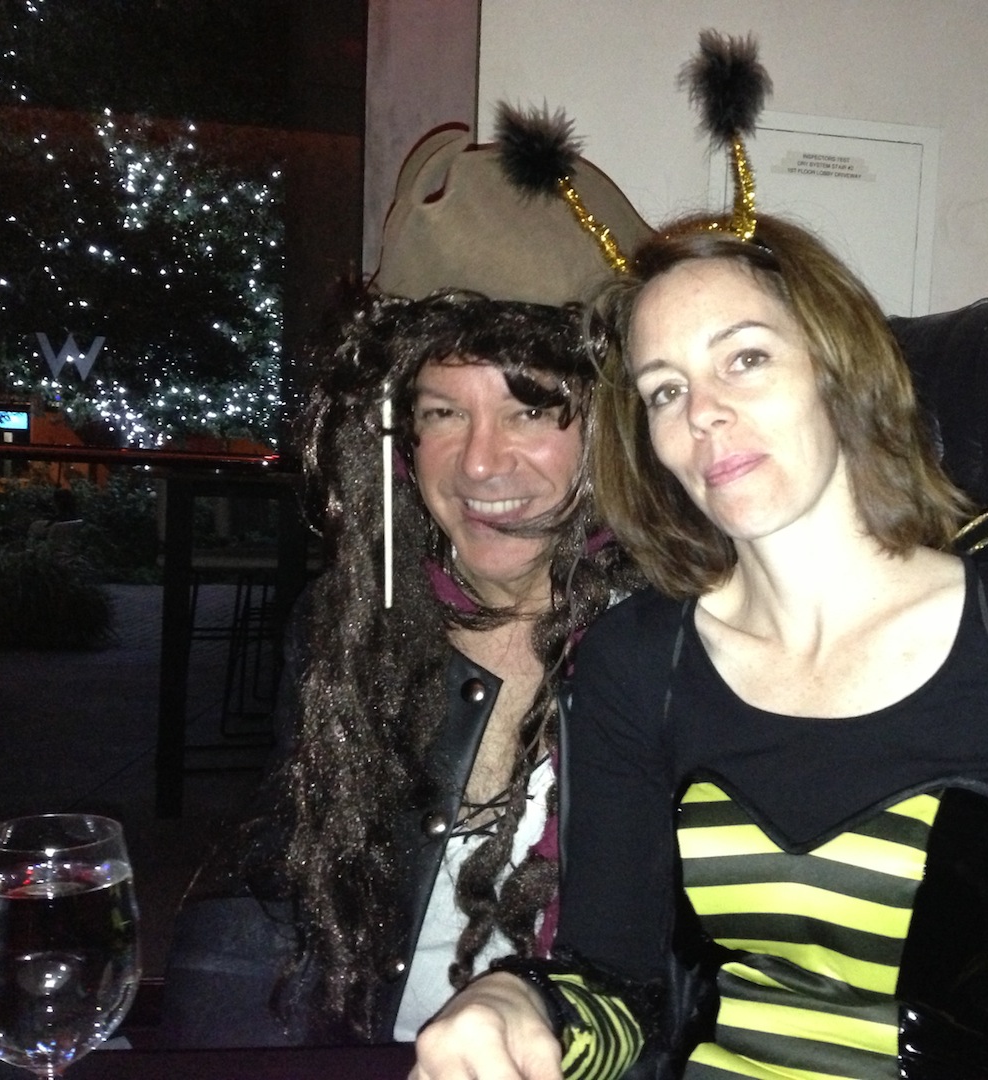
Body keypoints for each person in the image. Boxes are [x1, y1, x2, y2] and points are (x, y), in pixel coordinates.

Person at [411, 211, 988, 1080]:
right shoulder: (634, 662)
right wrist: (523, 1007)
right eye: (666, 391)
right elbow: (619, 993)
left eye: (745, 359)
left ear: (840, 371)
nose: (704, 413)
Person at [159, 118, 650, 1046]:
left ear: (610, 425)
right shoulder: (348, 628)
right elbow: (279, 898)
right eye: (442, 413)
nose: (480, 463)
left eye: (531, 410)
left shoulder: (684, 648)